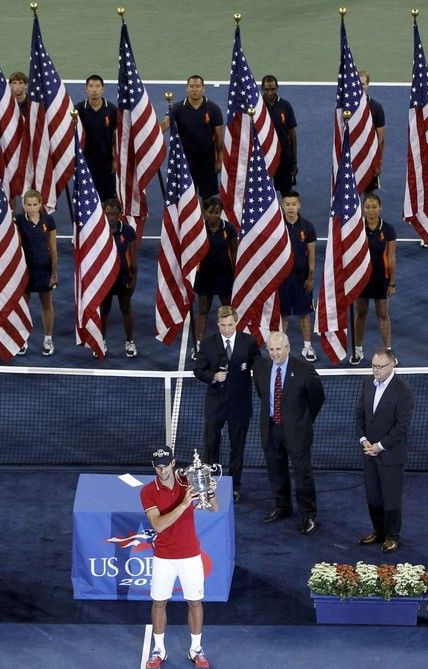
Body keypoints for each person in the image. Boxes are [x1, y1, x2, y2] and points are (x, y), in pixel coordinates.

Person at [141, 447, 217, 669]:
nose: (161, 469)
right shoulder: (148, 491)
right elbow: (158, 525)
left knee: (195, 602)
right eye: (157, 465)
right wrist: (184, 504)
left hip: (191, 555)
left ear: (173, 463)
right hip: (164, 557)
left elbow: (214, 508)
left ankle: (196, 650)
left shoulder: (190, 480)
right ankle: (159, 650)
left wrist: (210, 492)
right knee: (159, 602)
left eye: (165, 464)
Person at [253, 331, 325, 535]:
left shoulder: (304, 369)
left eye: (278, 349)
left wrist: (303, 419)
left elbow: (317, 397)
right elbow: (261, 393)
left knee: (302, 475)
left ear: (288, 348)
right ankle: (282, 507)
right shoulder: (260, 367)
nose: (275, 354)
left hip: (297, 431)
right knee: (276, 470)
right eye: (271, 349)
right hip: (271, 427)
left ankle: (309, 515)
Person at [192, 306, 259, 503]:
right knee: (211, 445)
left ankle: (234, 486)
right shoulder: (207, 344)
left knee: (237, 448)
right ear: (218, 324)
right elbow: (198, 370)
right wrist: (213, 376)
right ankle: (210, 485)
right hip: (216, 405)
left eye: (230, 324)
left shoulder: (249, 342)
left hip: (240, 406)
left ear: (236, 323)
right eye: (223, 325)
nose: (227, 329)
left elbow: (259, 364)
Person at [355, 348, 414, 554]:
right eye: (373, 366)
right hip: (368, 452)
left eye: (380, 367)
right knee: (373, 496)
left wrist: (379, 446)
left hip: (390, 455)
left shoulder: (403, 390)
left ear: (392, 366)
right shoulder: (367, 384)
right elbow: (360, 413)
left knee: (391, 497)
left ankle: (392, 536)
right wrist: (364, 440)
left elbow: (401, 426)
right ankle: (378, 531)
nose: (376, 370)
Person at [351, 193, 397, 366]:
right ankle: (358, 349)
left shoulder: (388, 229)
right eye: (368, 207)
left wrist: (392, 282)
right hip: (361, 278)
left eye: (374, 207)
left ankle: (388, 351)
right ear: (363, 209)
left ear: (380, 207)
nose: (371, 210)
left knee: (383, 314)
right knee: (361, 312)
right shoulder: (356, 228)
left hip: (380, 278)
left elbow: (392, 257)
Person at [160, 75, 224, 199]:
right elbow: (165, 124)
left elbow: (219, 138)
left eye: (198, 86)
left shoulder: (214, 109)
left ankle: (206, 219)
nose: (195, 89)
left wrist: (219, 160)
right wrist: (151, 129)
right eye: (192, 86)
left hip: (208, 161)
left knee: (208, 198)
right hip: (186, 161)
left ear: (203, 89)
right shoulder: (177, 108)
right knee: (187, 197)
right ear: (187, 88)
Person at [191, 196, 237, 359]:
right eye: (210, 212)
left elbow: (234, 252)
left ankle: (233, 342)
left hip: (224, 276)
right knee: (202, 311)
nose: (214, 216)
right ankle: (198, 346)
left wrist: (235, 275)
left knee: (229, 311)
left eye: (217, 212)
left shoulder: (229, 229)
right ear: (204, 212)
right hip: (204, 276)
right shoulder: (199, 229)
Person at [15, 189, 58, 356]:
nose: (32, 208)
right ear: (24, 206)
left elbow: (53, 247)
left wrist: (54, 271)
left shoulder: (49, 220)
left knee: (46, 304)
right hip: (25, 271)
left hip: (44, 270)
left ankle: (48, 339)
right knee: (23, 306)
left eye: (35, 204)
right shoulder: (18, 221)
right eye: (28, 204)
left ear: (40, 204)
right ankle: (21, 338)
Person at [277, 191, 317, 362]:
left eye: (294, 204)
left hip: (302, 280)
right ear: (282, 205)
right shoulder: (277, 226)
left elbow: (312, 255)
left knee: (304, 314)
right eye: (288, 204)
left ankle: (307, 348)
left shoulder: (308, 227)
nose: (291, 207)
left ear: (299, 205)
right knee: (283, 315)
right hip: (282, 280)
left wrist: (310, 278)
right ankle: (280, 348)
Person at [99, 198, 137, 357]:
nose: (111, 217)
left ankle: (129, 342)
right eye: (108, 214)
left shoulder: (128, 231)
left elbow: (133, 258)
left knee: (126, 310)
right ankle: (101, 342)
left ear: (120, 214)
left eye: (114, 214)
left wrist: (133, 280)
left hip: (123, 279)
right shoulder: (98, 231)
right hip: (105, 279)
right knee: (104, 311)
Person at [75, 75, 119, 202]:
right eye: (91, 86)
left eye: (98, 86)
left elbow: (115, 136)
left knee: (108, 196)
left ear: (103, 89)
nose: (94, 89)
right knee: (87, 196)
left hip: (106, 161)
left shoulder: (111, 110)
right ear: (86, 89)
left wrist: (115, 159)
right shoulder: (78, 109)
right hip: (86, 161)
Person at [261, 75, 297, 196]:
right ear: (262, 89)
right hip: (263, 156)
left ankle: (287, 215)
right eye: (267, 89)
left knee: (286, 191)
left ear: (277, 88)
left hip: (283, 155)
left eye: (273, 89)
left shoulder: (285, 106)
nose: (270, 92)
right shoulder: (258, 107)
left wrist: (294, 161)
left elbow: (292, 135)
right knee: (263, 193)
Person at [359, 70, 386, 193]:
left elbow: (380, 138)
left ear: (368, 85)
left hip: (370, 159)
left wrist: (378, 162)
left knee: (369, 194)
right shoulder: (345, 108)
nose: (360, 87)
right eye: (357, 84)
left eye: (363, 84)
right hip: (352, 158)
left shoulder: (376, 107)